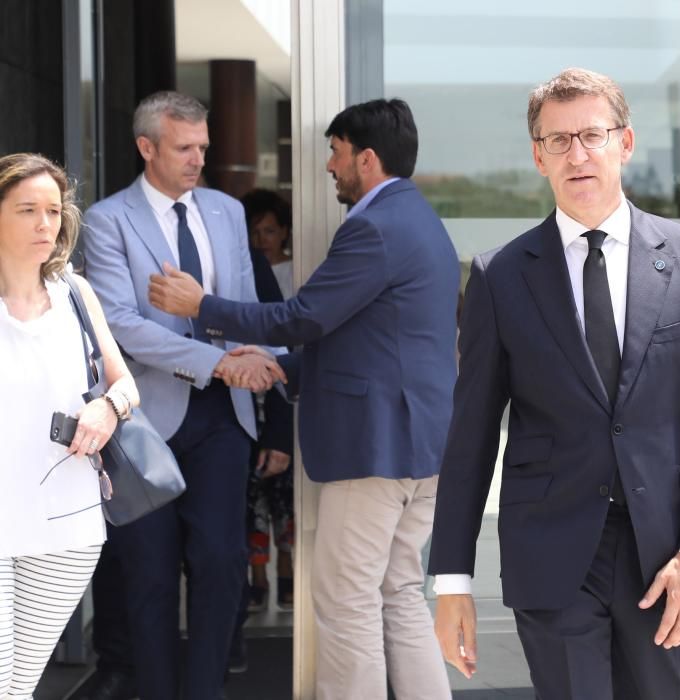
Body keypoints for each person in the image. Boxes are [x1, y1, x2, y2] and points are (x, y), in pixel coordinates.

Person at [427, 68, 680, 700]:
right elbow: (471, 436)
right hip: (550, 553)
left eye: (592, 136)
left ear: (624, 144)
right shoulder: (500, 276)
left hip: (664, 555)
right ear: (537, 156)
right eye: (558, 140)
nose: (577, 154)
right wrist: (452, 582)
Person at [148, 98, 458, 700]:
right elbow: (366, 341)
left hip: (376, 449)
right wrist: (281, 369)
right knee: (397, 593)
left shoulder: (373, 226)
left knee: (347, 602)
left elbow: (304, 316)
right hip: (419, 447)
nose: (327, 167)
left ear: (366, 160)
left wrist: (200, 306)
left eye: (336, 153)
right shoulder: (421, 220)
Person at [81, 91, 284, 700]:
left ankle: (206, 690)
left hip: (224, 419)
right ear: (147, 148)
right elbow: (120, 324)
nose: (198, 159)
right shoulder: (108, 219)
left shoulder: (224, 211)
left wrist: (258, 358)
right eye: (184, 148)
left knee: (222, 566)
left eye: (203, 147)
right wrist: (219, 362)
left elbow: (245, 308)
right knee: (149, 576)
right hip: (144, 419)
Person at [0, 152, 139, 698]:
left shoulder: (75, 293)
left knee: (18, 685)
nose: (44, 224)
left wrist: (109, 408)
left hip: (65, 525)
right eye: (26, 209)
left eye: (53, 211)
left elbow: (125, 383)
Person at [240, 189, 296, 612]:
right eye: (255, 231)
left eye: (270, 230)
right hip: (246, 391)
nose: (262, 239)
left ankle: (288, 572)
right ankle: (257, 577)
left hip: (286, 389)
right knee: (255, 496)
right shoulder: (241, 270)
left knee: (286, 497)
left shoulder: (297, 271)